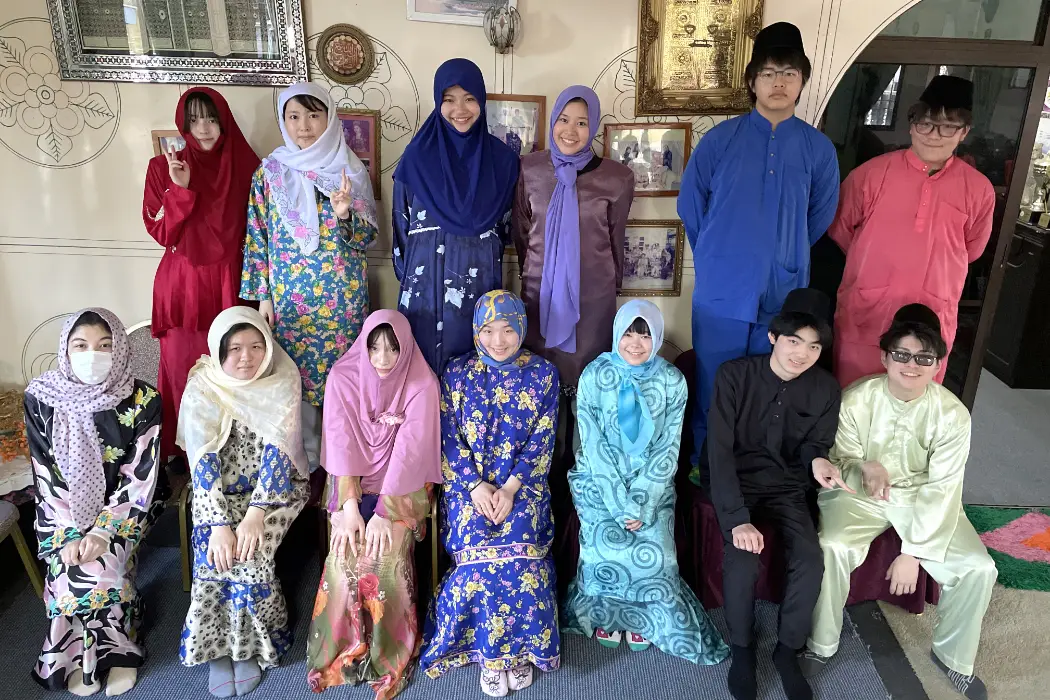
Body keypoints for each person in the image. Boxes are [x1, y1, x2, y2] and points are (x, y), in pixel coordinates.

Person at [804, 304, 997, 700]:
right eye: (902, 355)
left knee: (979, 568)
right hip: (859, 492)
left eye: (924, 358)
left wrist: (914, 552)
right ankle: (821, 643)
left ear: (938, 363)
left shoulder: (952, 415)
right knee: (832, 545)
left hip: (924, 500)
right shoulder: (857, 398)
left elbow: (943, 487)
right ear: (885, 357)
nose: (912, 365)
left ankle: (952, 657)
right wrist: (867, 466)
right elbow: (840, 457)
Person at [677, 22, 840, 481]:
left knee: (772, 387)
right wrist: (718, 257)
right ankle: (706, 467)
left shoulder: (817, 148)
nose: (778, 83)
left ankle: (755, 472)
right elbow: (691, 206)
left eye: (789, 73)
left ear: (802, 81)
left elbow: (820, 216)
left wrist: (784, 252)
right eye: (768, 73)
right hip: (722, 293)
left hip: (783, 293)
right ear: (752, 81)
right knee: (715, 382)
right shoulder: (720, 140)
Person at [562, 300, 729, 665]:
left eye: (645, 335)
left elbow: (669, 447)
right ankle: (607, 617)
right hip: (598, 481)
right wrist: (618, 504)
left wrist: (640, 501)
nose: (635, 344)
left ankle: (645, 619)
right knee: (602, 549)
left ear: (656, 337)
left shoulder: (672, 380)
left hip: (652, 484)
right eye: (628, 334)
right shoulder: (595, 375)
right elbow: (591, 444)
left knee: (659, 556)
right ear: (616, 334)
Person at [699, 288, 844, 700]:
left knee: (810, 559)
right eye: (794, 341)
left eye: (814, 346)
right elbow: (719, 451)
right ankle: (742, 648)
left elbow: (816, 444)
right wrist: (736, 518)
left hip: (787, 485)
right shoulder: (734, 375)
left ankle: (787, 650)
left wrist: (819, 463)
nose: (802, 353)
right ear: (773, 337)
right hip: (736, 481)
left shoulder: (826, 388)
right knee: (742, 559)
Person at [420, 290, 560, 697]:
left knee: (523, 566)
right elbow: (448, 437)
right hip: (469, 490)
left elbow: (543, 440)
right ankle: (491, 655)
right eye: (488, 330)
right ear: (476, 331)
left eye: (508, 330)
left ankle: (518, 654)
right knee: (476, 569)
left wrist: (511, 489)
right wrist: (476, 486)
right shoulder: (456, 373)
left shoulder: (543, 375)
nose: (498, 340)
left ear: (522, 329)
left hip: (524, 489)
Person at [240, 82, 378, 469]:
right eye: (294, 116)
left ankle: (342, 464)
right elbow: (257, 237)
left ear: (329, 119)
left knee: (342, 379)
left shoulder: (350, 169)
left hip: (341, 299)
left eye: (314, 115)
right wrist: (263, 297)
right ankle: (303, 467)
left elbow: (367, 239)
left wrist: (345, 214)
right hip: (290, 303)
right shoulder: (269, 173)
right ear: (283, 121)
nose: (304, 126)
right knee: (292, 381)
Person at [24, 308, 161, 696]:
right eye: (81, 345)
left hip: (129, 508)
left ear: (119, 349)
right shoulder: (40, 397)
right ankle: (75, 658)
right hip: (59, 512)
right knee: (69, 571)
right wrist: (70, 532)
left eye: (104, 346)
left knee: (104, 569)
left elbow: (141, 473)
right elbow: (44, 470)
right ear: (65, 349)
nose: (92, 355)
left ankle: (119, 654)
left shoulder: (143, 398)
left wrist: (103, 530)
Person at [307, 310, 442, 699]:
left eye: (393, 348)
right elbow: (341, 443)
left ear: (406, 348)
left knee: (382, 561)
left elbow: (412, 452)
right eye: (375, 348)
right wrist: (350, 507)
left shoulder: (421, 382)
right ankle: (345, 650)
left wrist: (386, 512)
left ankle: (388, 654)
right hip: (349, 482)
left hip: (405, 487)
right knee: (343, 557)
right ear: (363, 347)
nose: (383, 358)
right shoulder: (342, 377)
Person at [828, 75, 995, 387]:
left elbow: (971, 249)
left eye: (948, 127)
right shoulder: (871, 174)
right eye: (926, 124)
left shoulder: (978, 188)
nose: (934, 135)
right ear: (911, 125)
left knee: (915, 403)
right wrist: (874, 260)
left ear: (964, 132)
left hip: (932, 316)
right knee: (854, 397)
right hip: (867, 313)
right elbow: (840, 228)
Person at [178, 307, 310, 697]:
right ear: (219, 350)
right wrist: (219, 524)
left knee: (251, 555)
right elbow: (202, 460)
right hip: (215, 496)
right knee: (213, 555)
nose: (246, 357)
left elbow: (279, 455)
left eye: (256, 346)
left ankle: (251, 647)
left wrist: (255, 513)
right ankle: (216, 647)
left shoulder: (281, 380)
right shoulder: (203, 385)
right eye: (234, 348)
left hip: (275, 493)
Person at [142, 86, 259, 465]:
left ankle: (234, 458)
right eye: (194, 120)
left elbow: (262, 231)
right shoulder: (163, 168)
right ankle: (186, 455)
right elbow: (161, 232)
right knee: (183, 371)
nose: (204, 128)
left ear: (224, 121)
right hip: (183, 288)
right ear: (183, 124)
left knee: (234, 371)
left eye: (211, 119)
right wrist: (179, 189)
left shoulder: (248, 167)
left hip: (231, 284)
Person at [392, 58, 519, 375]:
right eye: (449, 100)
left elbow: (507, 228)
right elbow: (400, 226)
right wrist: (415, 279)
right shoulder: (416, 158)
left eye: (469, 98)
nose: (459, 110)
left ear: (482, 101)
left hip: (480, 289)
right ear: (438, 102)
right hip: (424, 294)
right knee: (421, 381)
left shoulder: (503, 162)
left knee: (476, 382)